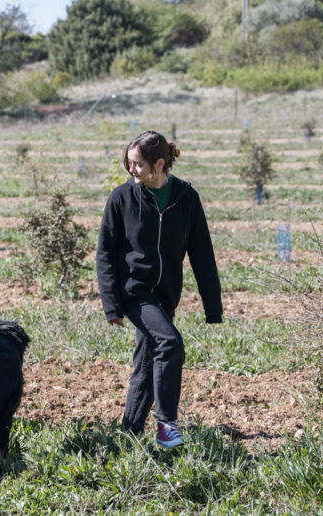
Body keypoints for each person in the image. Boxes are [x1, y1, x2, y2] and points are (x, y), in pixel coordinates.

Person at [96, 130, 222, 449]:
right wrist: (112, 305)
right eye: (129, 163)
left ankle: (129, 433)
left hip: (166, 295)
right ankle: (166, 424)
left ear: (160, 164)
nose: (131, 170)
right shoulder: (121, 198)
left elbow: (202, 253)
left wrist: (213, 307)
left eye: (138, 164)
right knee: (169, 344)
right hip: (134, 292)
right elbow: (105, 253)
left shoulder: (185, 198)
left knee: (149, 359)